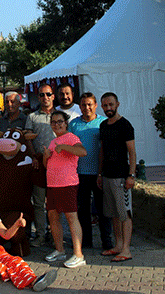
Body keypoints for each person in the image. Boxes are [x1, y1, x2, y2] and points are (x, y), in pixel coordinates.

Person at [0, 181, 57, 291]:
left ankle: (34, 280)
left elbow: (6, 235)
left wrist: (17, 225)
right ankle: (24, 279)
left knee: (15, 260)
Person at [68, 93, 113, 250]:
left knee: (103, 209)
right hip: (79, 173)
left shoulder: (103, 123)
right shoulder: (74, 125)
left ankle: (107, 241)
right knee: (83, 210)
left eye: (89, 104)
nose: (86, 108)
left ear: (95, 105)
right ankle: (86, 241)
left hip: (99, 173)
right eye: (83, 105)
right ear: (79, 106)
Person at [43, 111, 87, 268]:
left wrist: (65, 147)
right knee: (53, 217)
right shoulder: (52, 141)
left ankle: (78, 255)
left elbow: (83, 152)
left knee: (71, 218)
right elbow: (46, 165)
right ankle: (59, 250)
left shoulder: (71, 138)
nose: (57, 124)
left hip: (67, 184)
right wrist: (46, 155)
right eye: (53, 122)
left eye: (60, 121)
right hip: (52, 185)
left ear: (66, 123)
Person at [98, 92, 136, 262]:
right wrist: (100, 173)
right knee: (113, 213)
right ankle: (118, 245)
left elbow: (132, 152)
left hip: (121, 176)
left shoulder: (125, 125)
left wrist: (131, 175)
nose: (108, 108)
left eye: (111, 105)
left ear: (117, 104)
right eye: (105, 106)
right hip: (107, 175)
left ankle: (126, 249)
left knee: (124, 213)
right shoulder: (104, 125)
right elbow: (102, 151)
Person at [24, 84, 56, 247]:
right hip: (38, 162)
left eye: (48, 94)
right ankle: (41, 234)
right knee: (38, 201)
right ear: (38, 97)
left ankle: (55, 234)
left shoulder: (59, 116)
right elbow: (28, 138)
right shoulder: (32, 117)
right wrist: (33, 157)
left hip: (57, 164)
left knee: (54, 202)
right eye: (42, 95)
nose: (45, 97)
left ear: (53, 96)